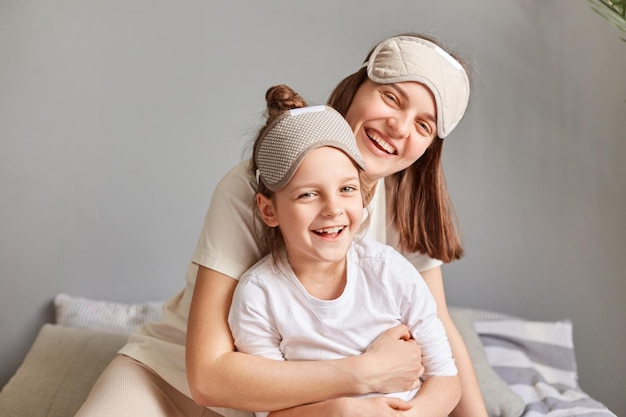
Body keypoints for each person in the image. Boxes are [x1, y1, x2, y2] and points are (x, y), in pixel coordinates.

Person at [75, 33, 485, 417]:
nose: (399, 126)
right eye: (392, 97)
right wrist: (363, 374)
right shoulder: (254, 185)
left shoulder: (404, 205)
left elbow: (441, 331)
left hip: (301, 405)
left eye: (423, 124)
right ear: (355, 89)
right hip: (177, 378)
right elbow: (208, 376)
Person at [228, 98, 461, 417]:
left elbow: (445, 379)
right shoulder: (259, 295)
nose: (333, 209)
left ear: (364, 196)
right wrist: (344, 412)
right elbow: (271, 410)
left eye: (347, 189)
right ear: (269, 210)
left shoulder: (389, 271)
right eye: (308, 194)